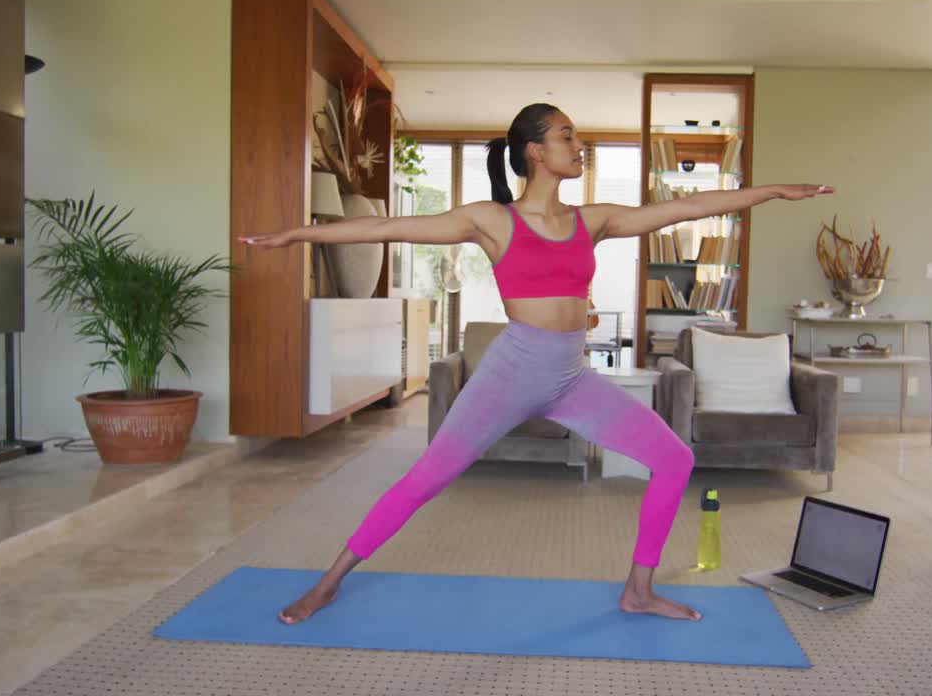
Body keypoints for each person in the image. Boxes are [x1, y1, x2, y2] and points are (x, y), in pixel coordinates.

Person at [240, 103, 833, 623]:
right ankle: (326, 584)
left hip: (571, 378)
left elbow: (683, 209)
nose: (579, 147)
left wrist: (770, 192)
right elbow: (389, 224)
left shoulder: (590, 221)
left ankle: (638, 591)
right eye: (567, 136)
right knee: (427, 480)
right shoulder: (492, 220)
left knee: (674, 458)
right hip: (511, 373)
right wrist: (296, 236)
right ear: (535, 151)